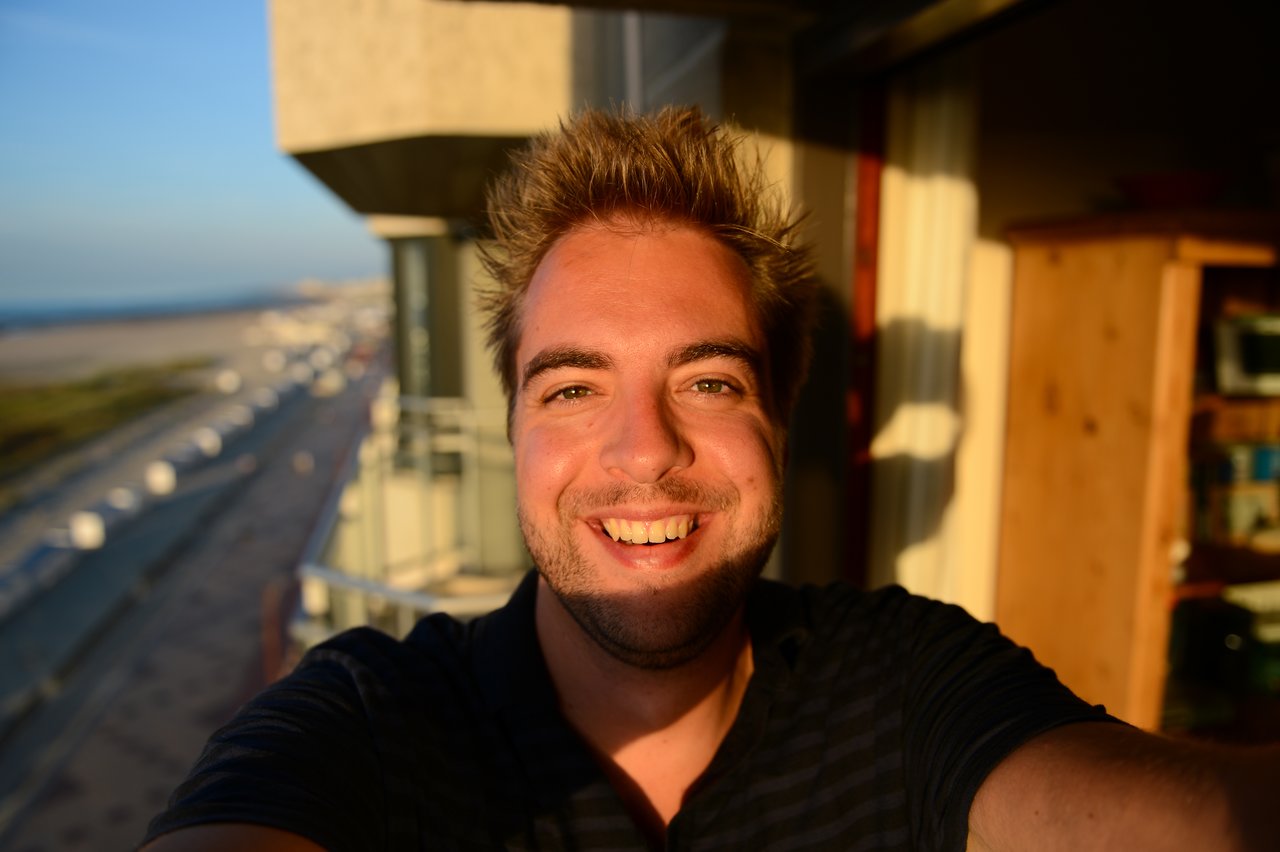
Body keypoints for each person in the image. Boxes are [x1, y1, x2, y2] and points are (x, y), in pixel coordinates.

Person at [142, 107, 1278, 851]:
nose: (644, 451)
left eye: (708, 381)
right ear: (513, 429)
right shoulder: (367, 723)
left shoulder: (902, 681)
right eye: (572, 388)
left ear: (778, 415)